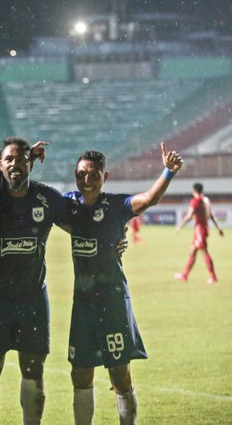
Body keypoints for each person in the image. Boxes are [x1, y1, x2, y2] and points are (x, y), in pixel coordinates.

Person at [64, 143, 183, 425]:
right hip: (82, 304)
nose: (87, 180)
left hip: (112, 300)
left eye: (94, 175)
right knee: (80, 374)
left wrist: (168, 172)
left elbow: (148, 200)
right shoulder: (68, 205)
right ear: (75, 175)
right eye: (82, 174)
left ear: (105, 177)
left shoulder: (116, 206)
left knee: (120, 375)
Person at [0, 137, 70, 425]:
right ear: (0, 165)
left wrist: (115, 239)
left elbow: (81, 225)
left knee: (33, 371)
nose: (15, 164)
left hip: (32, 298)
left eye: (21, 159)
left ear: (30, 164)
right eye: (8, 159)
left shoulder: (47, 197)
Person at [174, 182, 224, 284]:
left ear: (194, 191)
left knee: (204, 253)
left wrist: (180, 226)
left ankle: (213, 277)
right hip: (204, 229)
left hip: (199, 231)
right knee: (192, 252)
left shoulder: (195, 201)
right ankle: (185, 275)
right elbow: (211, 216)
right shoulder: (206, 201)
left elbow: (189, 216)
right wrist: (218, 228)